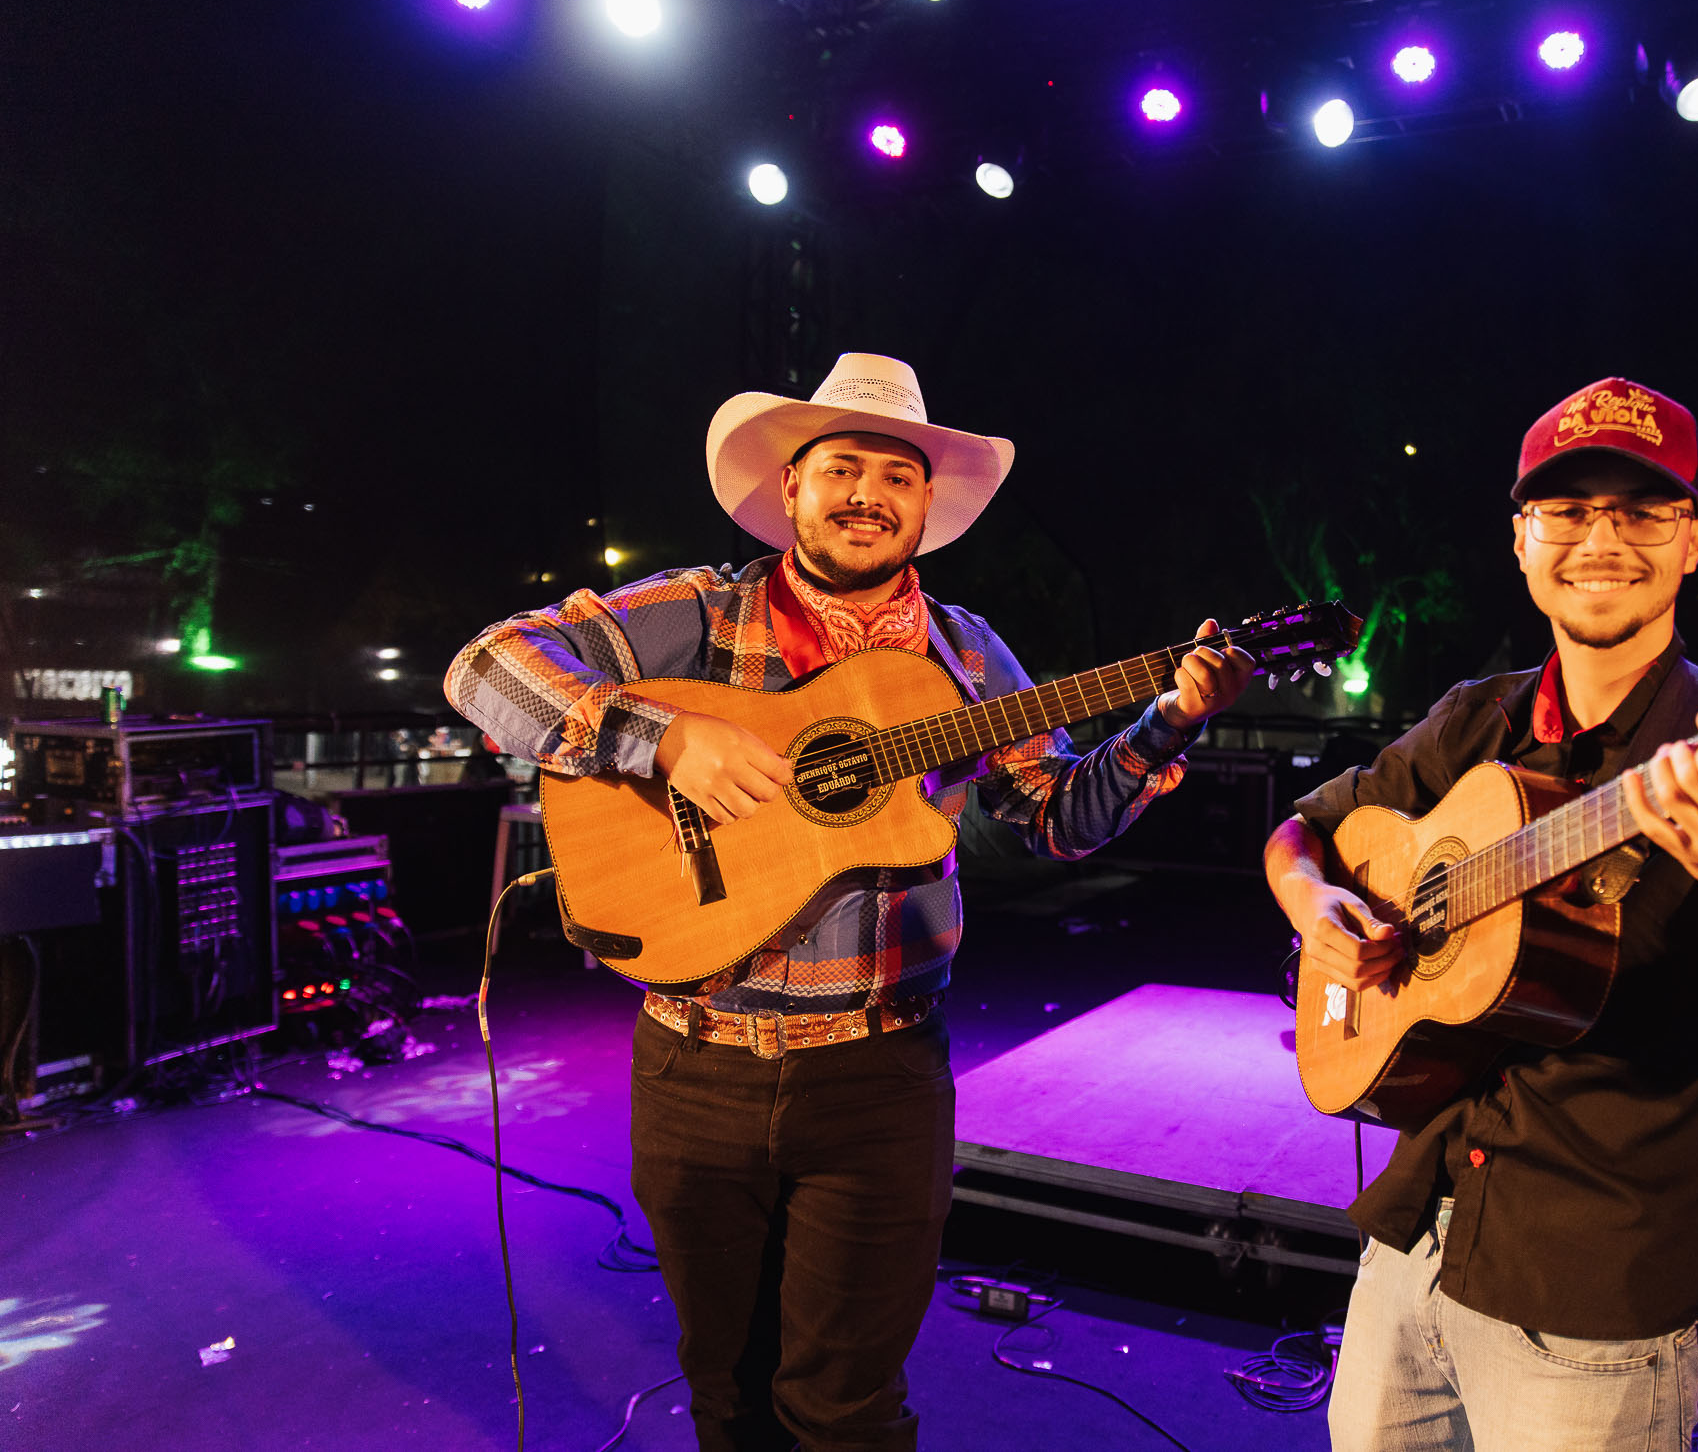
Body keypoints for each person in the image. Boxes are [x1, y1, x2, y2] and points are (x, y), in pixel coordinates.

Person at [444, 352, 1253, 1451]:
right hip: (697, 1063)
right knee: (727, 1387)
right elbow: (487, 667)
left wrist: (1166, 723)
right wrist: (664, 736)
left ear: (926, 504)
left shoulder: (966, 653)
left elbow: (1058, 812)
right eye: (840, 467)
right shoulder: (694, 612)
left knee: (848, 1406)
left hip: (878, 1076)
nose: (867, 493)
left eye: (896, 474)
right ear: (791, 489)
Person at [1263, 377, 1698, 1452]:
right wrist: (1314, 901)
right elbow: (1303, 830)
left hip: (1600, 1291)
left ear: (1693, 540)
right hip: (1413, 1237)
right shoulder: (1475, 720)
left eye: (1641, 511)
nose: (1600, 539)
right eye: (1566, 510)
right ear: (1522, 539)